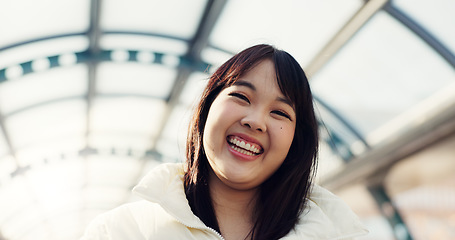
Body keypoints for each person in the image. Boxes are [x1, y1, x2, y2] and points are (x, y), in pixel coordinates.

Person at [81, 44, 368, 240]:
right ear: (206, 109)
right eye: (241, 97)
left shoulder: (340, 234)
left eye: (279, 112)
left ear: (297, 141)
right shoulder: (123, 231)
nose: (255, 121)